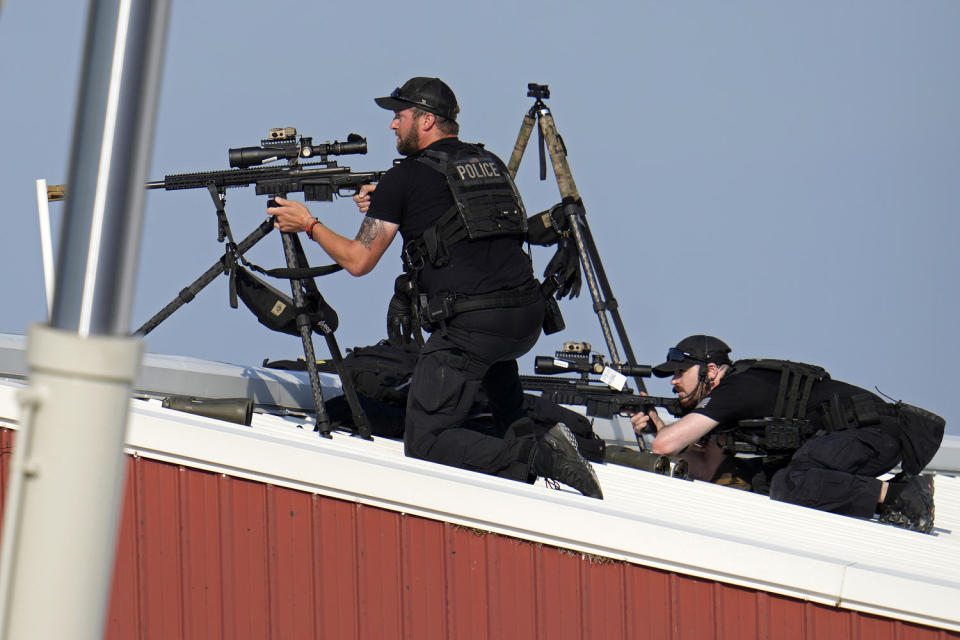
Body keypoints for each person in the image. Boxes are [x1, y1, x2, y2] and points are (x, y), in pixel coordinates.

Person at [270, 77, 602, 499]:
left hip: (471, 326)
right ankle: (536, 452)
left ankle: (543, 458)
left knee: (426, 441)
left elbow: (359, 259)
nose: (392, 125)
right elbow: (460, 218)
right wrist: (393, 204)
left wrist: (309, 225)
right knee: (504, 405)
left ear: (426, 120)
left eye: (399, 115)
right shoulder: (489, 162)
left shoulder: (404, 178)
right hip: (524, 317)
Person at [630, 335, 943, 532]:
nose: (673, 382)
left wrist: (660, 432)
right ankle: (887, 494)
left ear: (710, 371)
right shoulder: (731, 400)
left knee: (791, 482)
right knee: (755, 476)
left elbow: (664, 444)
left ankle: (901, 496)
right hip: (852, 438)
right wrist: (660, 433)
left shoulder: (734, 390)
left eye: (679, 373)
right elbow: (709, 469)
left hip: (871, 432)